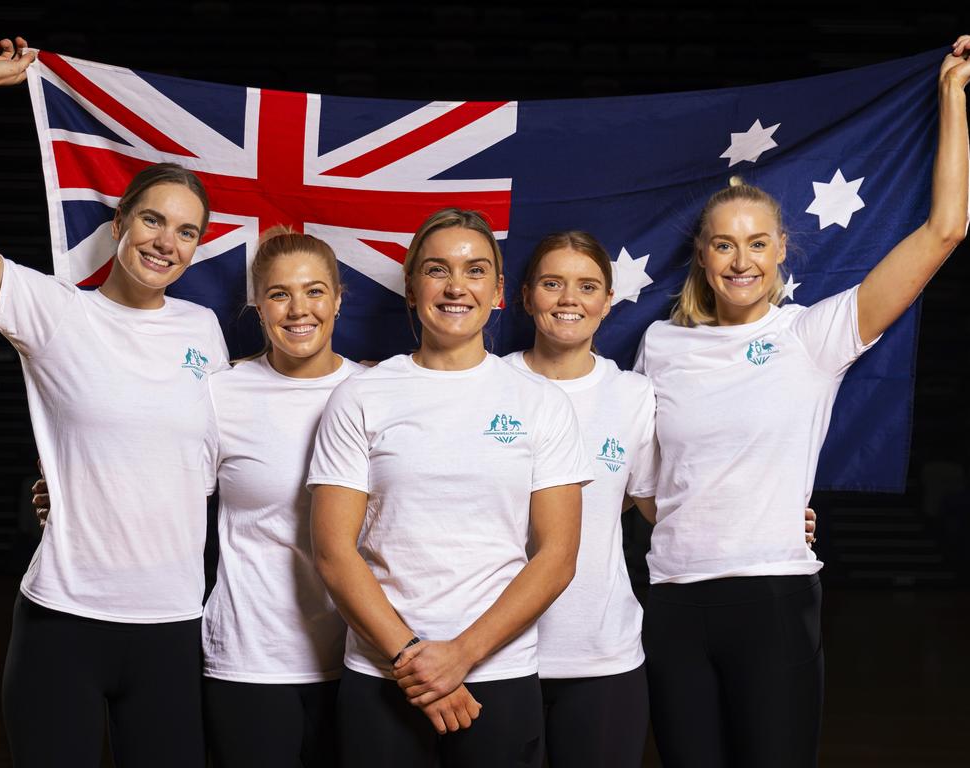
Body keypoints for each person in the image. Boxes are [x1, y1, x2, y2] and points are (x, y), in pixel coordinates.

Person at [635, 36, 970, 768]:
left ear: (782, 250)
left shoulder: (813, 335)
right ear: (702, 255)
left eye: (757, 243)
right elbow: (643, 484)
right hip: (673, 601)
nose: (741, 260)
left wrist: (951, 94)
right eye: (723, 245)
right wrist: (712, 509)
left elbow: (945, 230)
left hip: (775, 600)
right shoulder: (660, 346)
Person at [0, 38, 228, 766]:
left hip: (171, 625)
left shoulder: (205, 331)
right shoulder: (53, 311)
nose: (167, 240)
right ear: (120, 224)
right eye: (154, 220)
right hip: (61, 623)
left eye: (187, 230)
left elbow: (204, 460)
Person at [307, 208, 594, 768]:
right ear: (412, 288)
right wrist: (415, 658)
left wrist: (461, 655)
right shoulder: (362, 395)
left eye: (475, 270)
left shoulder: (541, 403)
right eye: (437, 270)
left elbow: (558, 557)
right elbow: (333, 552)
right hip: (383, 673)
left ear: (500, 291)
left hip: (497, 674)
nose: (456, 285)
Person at [200, 227, 361, 767]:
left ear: (339, 298)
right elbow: (159, 482)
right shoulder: (220, 394)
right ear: (258, 306)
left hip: (361, 658)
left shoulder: (375, 392)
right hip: (250, 658)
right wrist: (58, 486)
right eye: (279, 293)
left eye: (315, 291)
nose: (299, 309)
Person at [505, 231, 658, 767]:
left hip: (601, 653)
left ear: (606, 302)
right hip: (494, 655)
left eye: (586, 286)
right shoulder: (489, 381)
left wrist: (772, 522)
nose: (569, 299)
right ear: (526, 297)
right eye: (552, 284)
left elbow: (658, 505)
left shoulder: (633, 396)